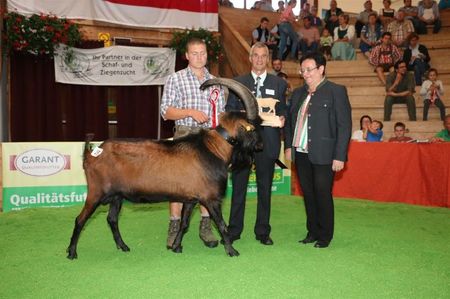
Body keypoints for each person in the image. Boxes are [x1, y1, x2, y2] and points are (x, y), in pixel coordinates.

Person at [160, 38, 225, 249]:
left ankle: (205, 227)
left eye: (203, 53)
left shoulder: (216, 81)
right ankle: (174, 226)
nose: (199, 57)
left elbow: (221, 115)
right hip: (185, 137)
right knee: (178, 186)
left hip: (209, 139)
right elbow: (166, 112)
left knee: (208, 184)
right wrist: (189, 112)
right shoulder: (176, 79)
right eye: (194, 53)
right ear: (187, 56)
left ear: (207, 54)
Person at [284, 52, 352, 249]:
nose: (305, 74)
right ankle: (312, 231)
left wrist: (340, 156)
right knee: (308, 193)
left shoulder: (336, 91)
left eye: (309, 69)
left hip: (325, 154)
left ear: (321, 69)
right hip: (301, 154)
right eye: (302, 70)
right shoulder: (297, 93)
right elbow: (289, 123)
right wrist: (289, 146)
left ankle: (325, 235)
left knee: (322, 193)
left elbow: (344, 125)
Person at [226, 42, 287, 246]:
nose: (260, 59)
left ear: (267, 59)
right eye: (256, 55)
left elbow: (284, 110)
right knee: (239, 188)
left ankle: (262, 231)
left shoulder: (278, 83)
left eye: (264, 56)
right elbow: (230, 110)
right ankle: (234, 230)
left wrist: (283, 118)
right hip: (242, 143)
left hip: (267, 143)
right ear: (250, 58)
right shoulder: (238, 82)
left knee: (264, 188)